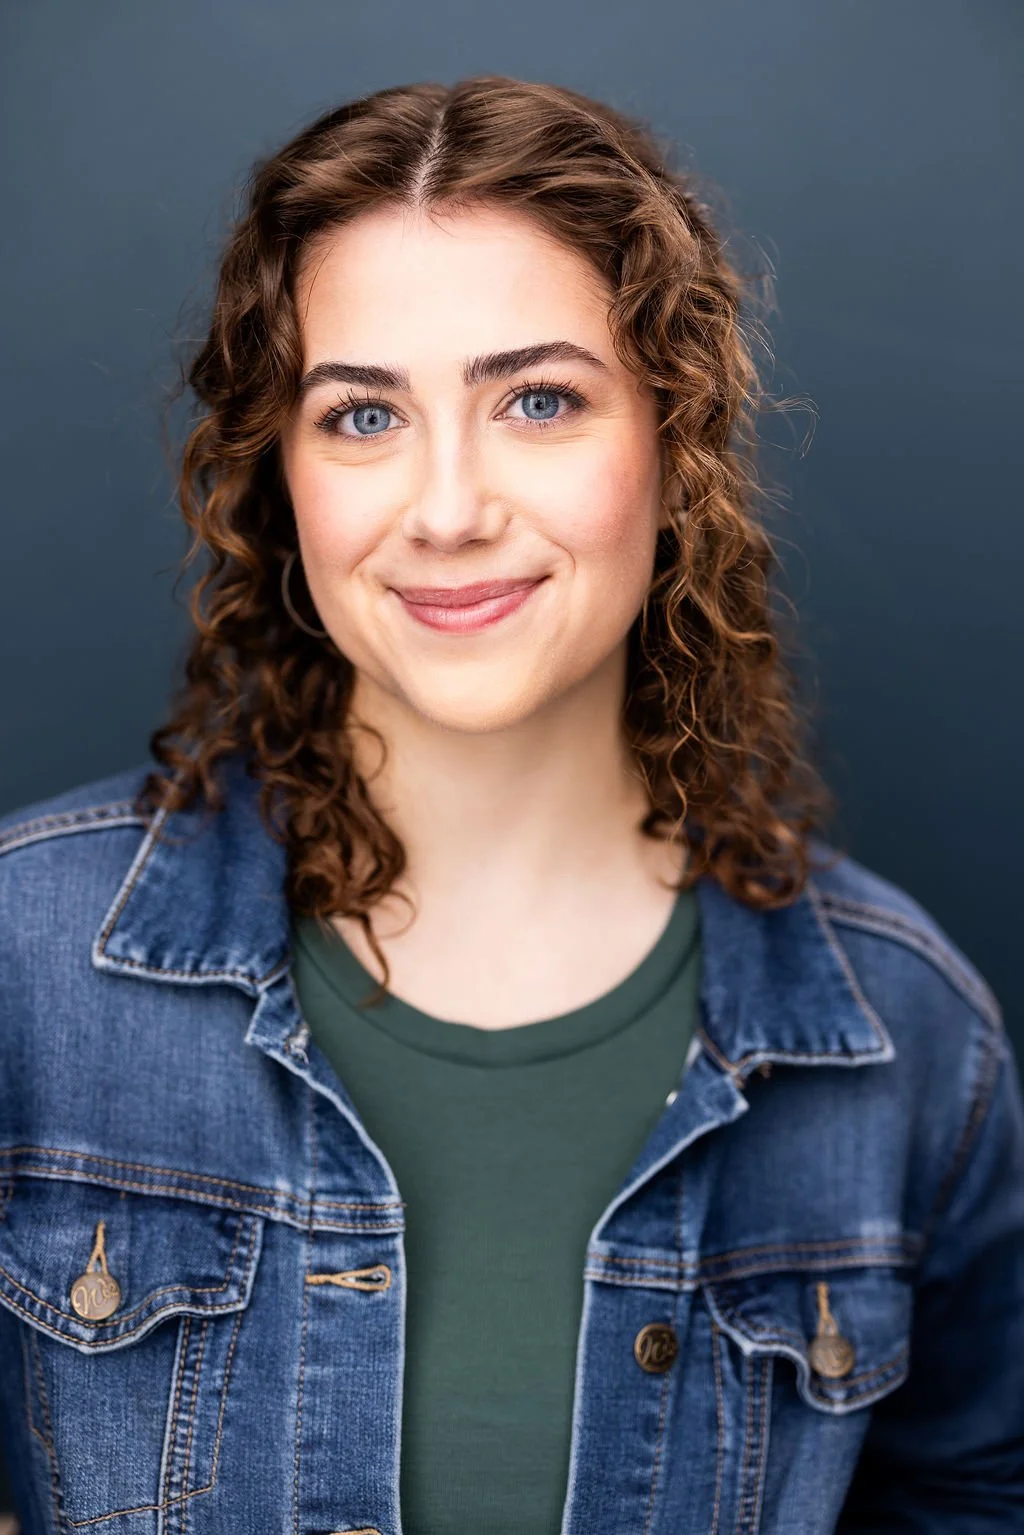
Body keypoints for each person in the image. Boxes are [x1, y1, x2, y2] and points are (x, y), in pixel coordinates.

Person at [0, 74, 1021, 1535]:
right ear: (280, 477)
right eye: (362, 416)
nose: (449, 504)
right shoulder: (23, 966)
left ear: (673, 443)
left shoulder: (907, 1037)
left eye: (538, 399)